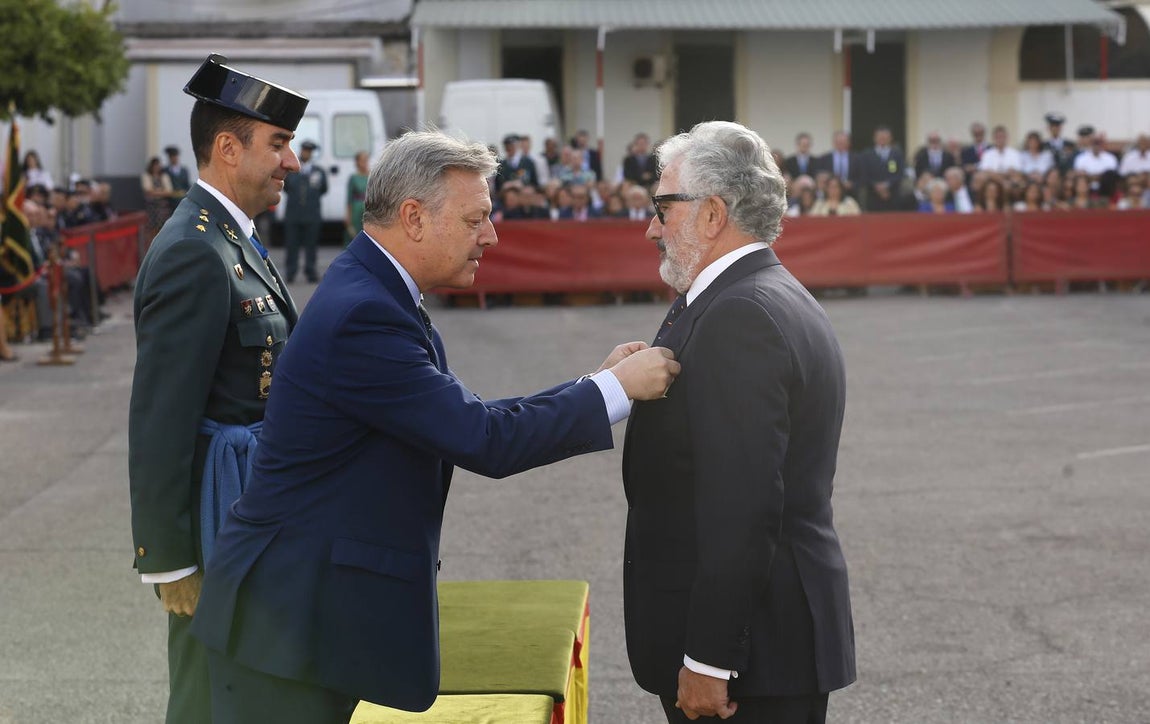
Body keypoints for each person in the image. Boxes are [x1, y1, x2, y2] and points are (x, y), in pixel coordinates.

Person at [189, 129, 680, 723]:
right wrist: (616, 392)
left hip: (301, 615)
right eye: (476, 219)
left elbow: (464, 416)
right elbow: (484, 439)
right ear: (414, 217)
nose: (490, 236)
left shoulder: (377, 290)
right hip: (285, 625)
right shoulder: (366, 314)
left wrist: (592, 384)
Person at [623, 121, 854, 724]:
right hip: (765, 643)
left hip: (752, 661)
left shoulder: (740, 315)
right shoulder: (759, 294)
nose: (651, 227)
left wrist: (710, 657)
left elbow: (743, 504)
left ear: (711, 214)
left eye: (663, 208)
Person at [128, 54, 306, 724]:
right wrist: (170, 561)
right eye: (278, 144)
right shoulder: (194, 250)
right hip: (215, 517)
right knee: (210, 693)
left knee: (249, 690)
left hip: (249, 505)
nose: (292, 162)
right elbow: (160, 417)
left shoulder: (234, 238)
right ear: (229, 148)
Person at [282, 139, 328, 282]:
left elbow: (323, 189)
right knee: (292, 244)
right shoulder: (292, 170)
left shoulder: (318, 171)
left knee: (311, 245)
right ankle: (291, 271)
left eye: (309, 151)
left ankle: (310, 271)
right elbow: (287, 187)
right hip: (294, 214)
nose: (306, 153)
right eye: (304, 150)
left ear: (311, 153)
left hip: (312, 214)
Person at [860, 125, 906, 212]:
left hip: (892, 196)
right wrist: (877, 187)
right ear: (874, 138)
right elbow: (863, 174)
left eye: (885, 137)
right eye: (880, 137)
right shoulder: (866, 154)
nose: (882, 139)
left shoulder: (897, 154)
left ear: (890, 138)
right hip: (873, 197)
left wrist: (887, 185)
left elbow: (900, 173)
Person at [141, 156, 175, 240]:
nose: (157, 167)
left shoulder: (164, 176)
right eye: (155, 165)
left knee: (163, 227)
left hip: (163, 207)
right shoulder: (147, 176)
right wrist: (161, 191)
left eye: (158, 165)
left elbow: (169, 191)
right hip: (151, 207)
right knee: (152, 228)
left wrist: (155, 192)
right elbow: (148, 190)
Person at [345, 150, 369, 244]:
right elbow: (349, 199)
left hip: (368, 209)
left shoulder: (371, 176)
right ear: (357, 162)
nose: (364, 163)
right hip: (356, 210)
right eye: (362, 160)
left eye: (366, 160)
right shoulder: (353, 178)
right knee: (354, 236)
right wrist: (348, 217)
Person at [163, 145, 192, 212]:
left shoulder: (184, 170)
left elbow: (187, 184)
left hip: (182, 197)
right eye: (172, 157)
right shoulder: (165, 170)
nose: (174, 158)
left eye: (175, 156)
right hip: (170, 199)